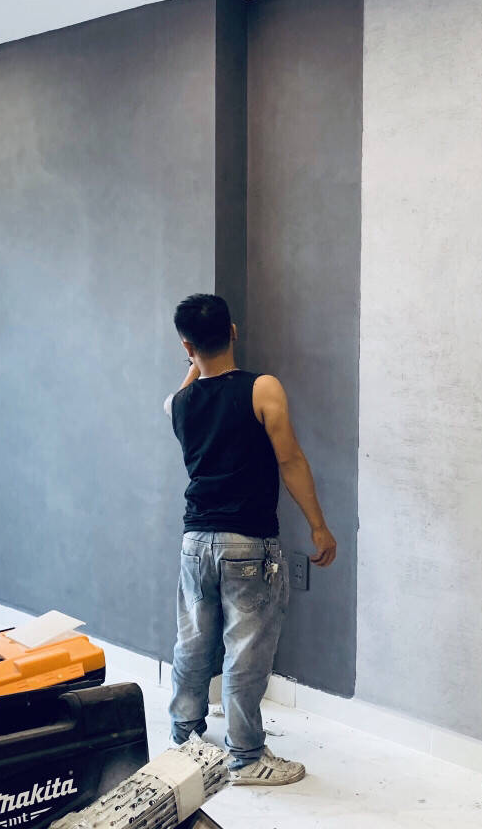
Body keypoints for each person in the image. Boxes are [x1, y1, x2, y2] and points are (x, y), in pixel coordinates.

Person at [164, 293, 337, 786]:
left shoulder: (177, 405)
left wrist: (193, 361)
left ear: (186, 346)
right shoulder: (263, 389)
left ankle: (185, 738)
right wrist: (318, 525)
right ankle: (244, 756)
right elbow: (291, 460)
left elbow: (189, 387)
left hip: (195, 542)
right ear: (234, 332)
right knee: (245, 651)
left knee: (193, 643)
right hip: (248, 543)